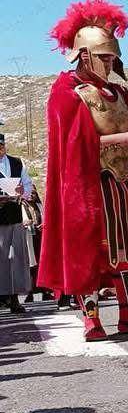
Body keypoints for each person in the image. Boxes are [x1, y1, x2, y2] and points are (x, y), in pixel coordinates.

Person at [37, 0, 128, 341]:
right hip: (87, 185)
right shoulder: (66, 92)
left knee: (125, 247)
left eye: (112, 58)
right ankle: (91, 319)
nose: (110, 64)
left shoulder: (118, 93)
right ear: (84, 54)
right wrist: (124, 137)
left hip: (121, 183)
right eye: (104, 57)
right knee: (89, 251)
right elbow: (73, 146)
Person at [0, 135, 35, 314]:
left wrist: (23, 190)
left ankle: (14, 298)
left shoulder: (16, 162)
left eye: (1, 146)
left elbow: (28, 186)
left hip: (14, 216)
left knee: (16, 259)